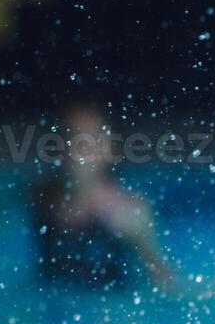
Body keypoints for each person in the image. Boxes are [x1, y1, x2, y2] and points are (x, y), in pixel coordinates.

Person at [29, 101, 179, 291]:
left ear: (109, 150)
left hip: (110, 305)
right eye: (70, 138)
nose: (78, 150)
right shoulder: (42, 199)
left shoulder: (128, 210)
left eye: (88, 142)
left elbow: (163, 280)